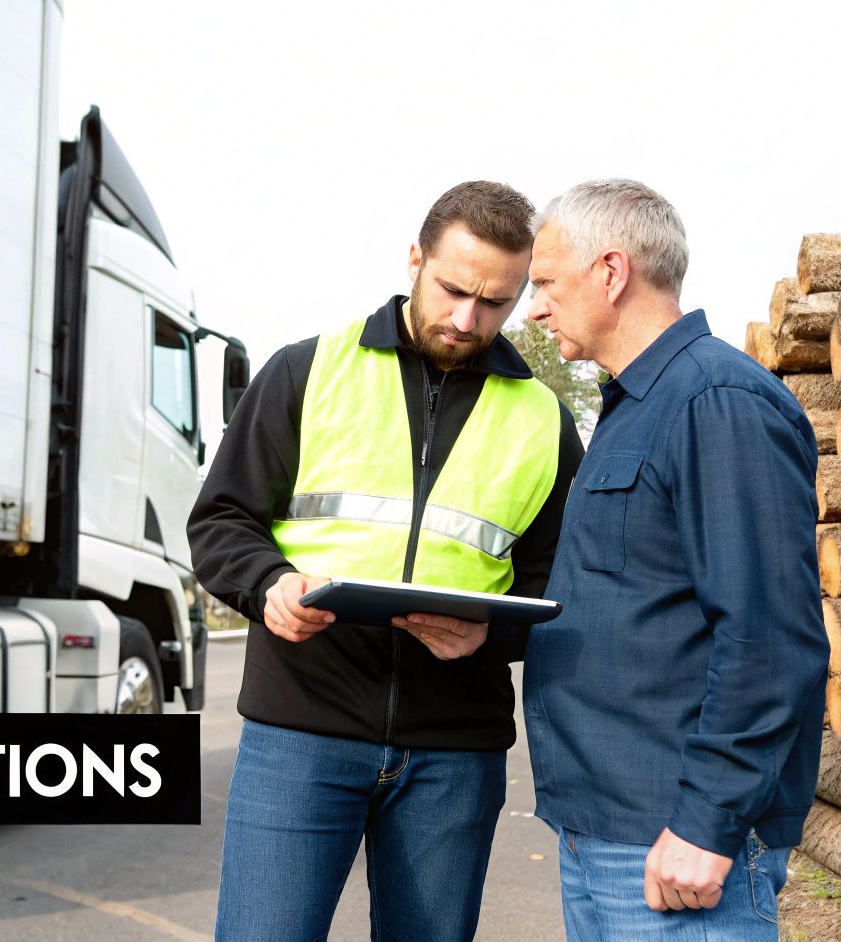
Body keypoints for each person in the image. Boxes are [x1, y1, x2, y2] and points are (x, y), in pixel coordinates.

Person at [188, 180, 584, 942]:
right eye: (454, 289)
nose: (469, 319)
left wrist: (490, 637)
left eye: (495, 303)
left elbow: (555, 583)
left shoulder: (544, 419)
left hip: (454, 753)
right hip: (300, 732)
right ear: (414, 259)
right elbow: (222, 519)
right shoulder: (306, 371)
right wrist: (268, 584)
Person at [521, 179, 828, 940]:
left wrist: (707, 821)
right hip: (602, 827)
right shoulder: (633, 409)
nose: (533, 308)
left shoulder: (715, 402)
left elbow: (769, 636)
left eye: (545, 284)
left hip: (672, 840)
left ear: (611, 271)